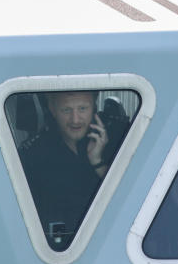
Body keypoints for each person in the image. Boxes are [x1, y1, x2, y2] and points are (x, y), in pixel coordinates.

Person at [18, 91, 110, 250]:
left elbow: (132, 199)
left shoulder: (117, 142)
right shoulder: (33, 154)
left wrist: (98, 162)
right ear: (52, 110)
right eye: (66, 110)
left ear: (94, 108)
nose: (75, 119)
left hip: (107, 241)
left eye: (82, 109)